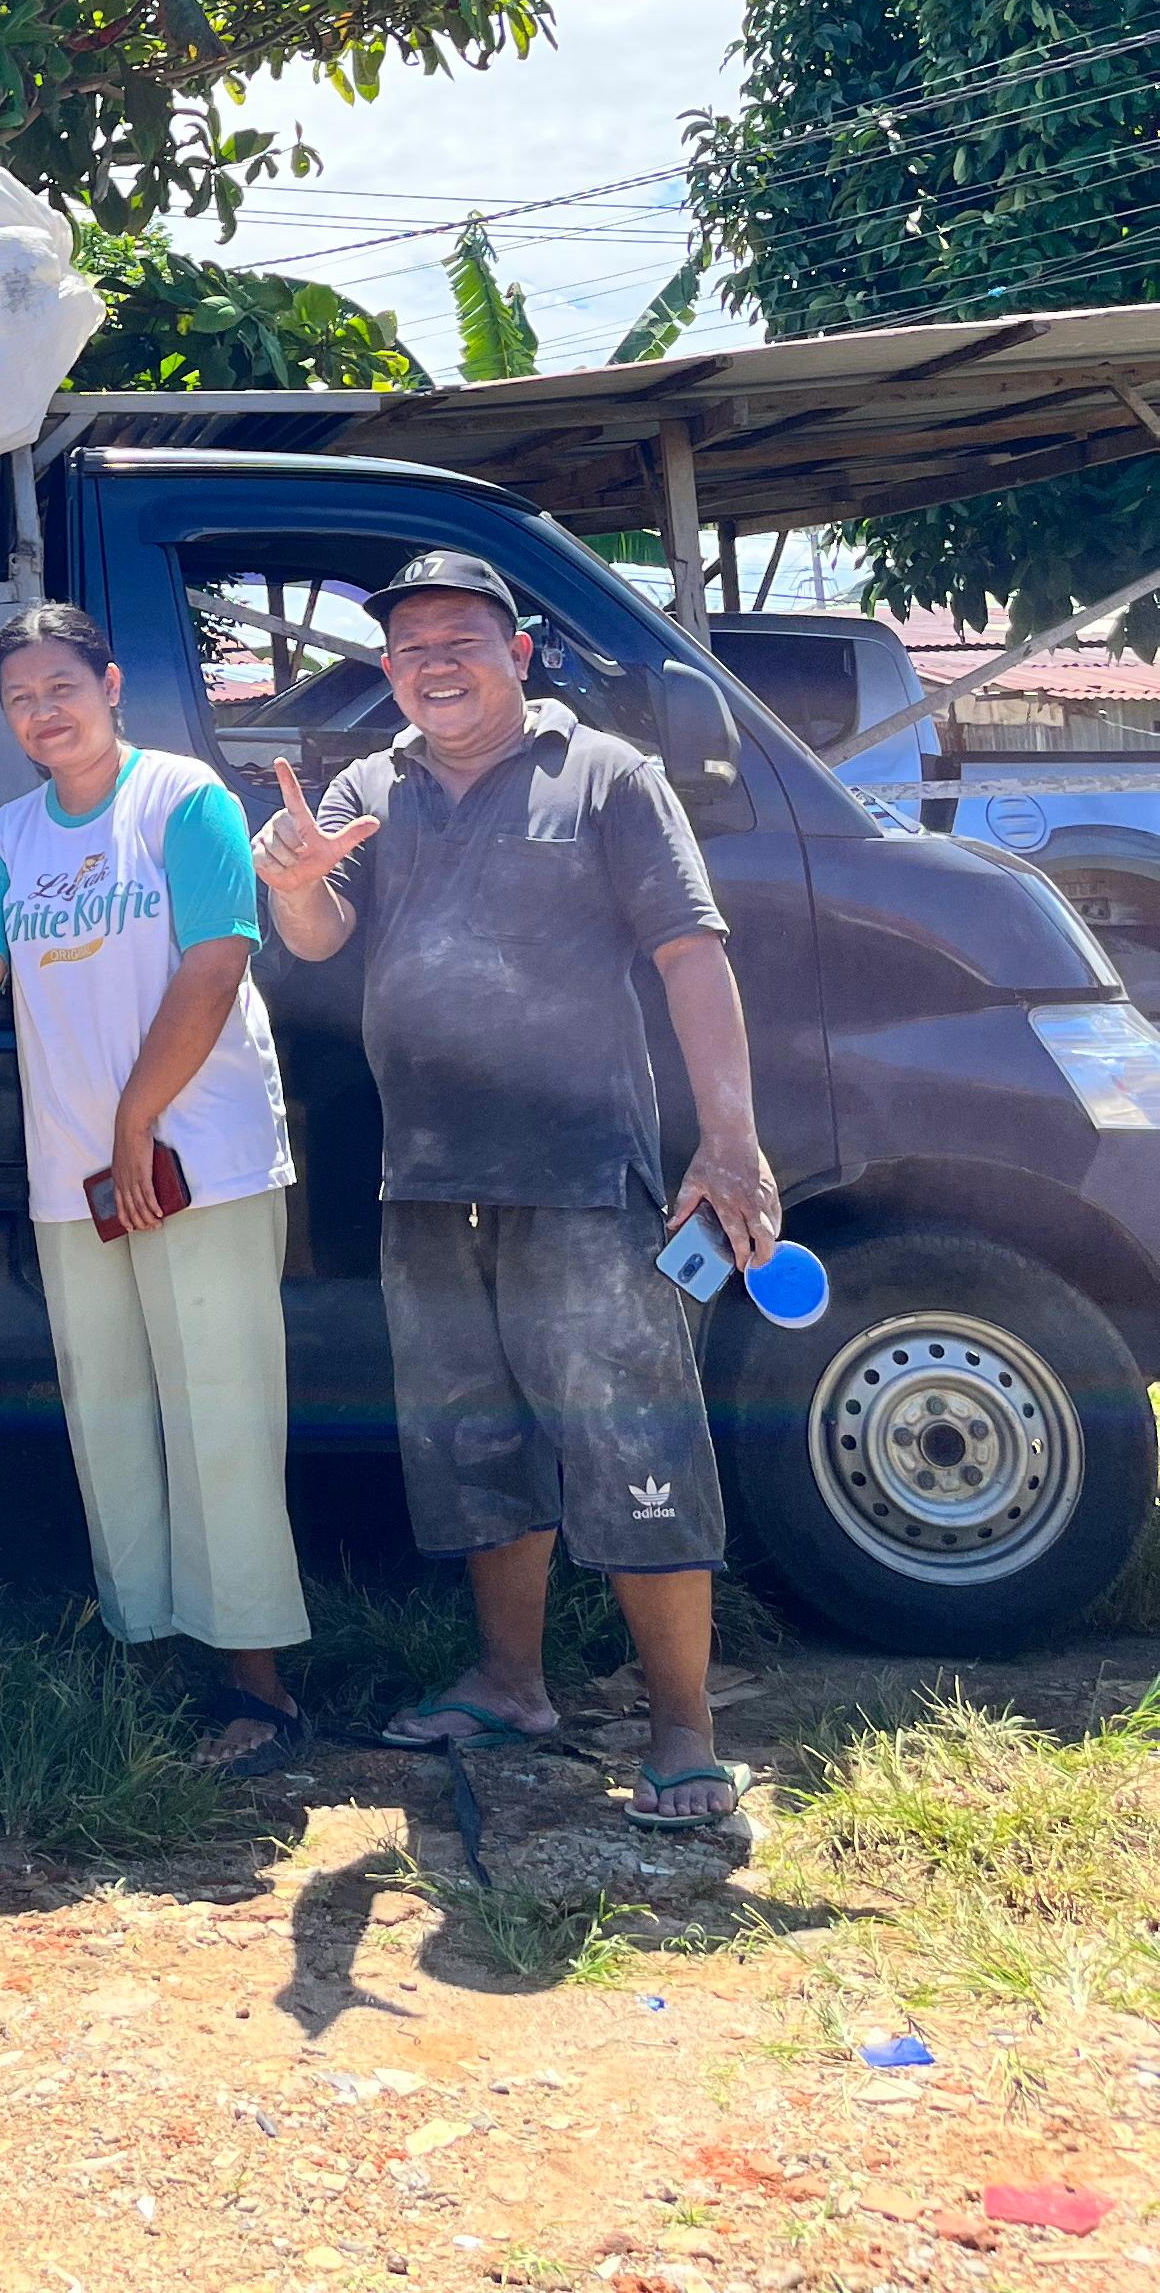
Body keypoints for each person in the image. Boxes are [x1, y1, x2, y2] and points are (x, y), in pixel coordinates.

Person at [252, 547, 777, 1825]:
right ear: (388, 672)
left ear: (519, 654)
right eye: (410, 649)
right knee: (474, 1443)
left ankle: (682, 1730)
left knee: (635, 1441)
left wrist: (730, 1139)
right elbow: (321, 938)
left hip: (584, 1176)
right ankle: (509, 1684)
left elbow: (691, 952)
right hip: (427, 1180)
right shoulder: (372, 788)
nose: (434, 666)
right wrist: (294, 884)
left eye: (460, 642)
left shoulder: (606, 775)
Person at [0, 600, 312, 1775]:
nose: (44, 713)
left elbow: (218, 960)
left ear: (112, 684)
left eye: (62, 688)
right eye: (20, 699)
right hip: (74, 1178)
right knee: (113, 1418)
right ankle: (148, 1657)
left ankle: (258, 1686)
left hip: (200, 1160)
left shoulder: (186, 801)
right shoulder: (12, 833)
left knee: (222, 1413)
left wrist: (137, 1120)